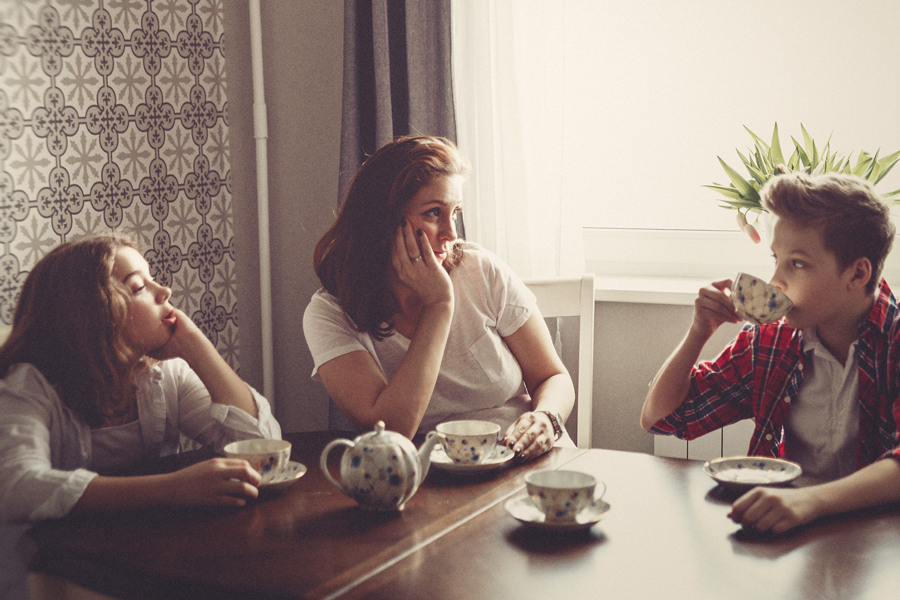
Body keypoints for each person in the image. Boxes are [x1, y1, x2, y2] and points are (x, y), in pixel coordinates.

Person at [0, 234, 282, 599]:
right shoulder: (29, 387)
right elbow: (16, 485)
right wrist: (171, 489)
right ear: (93, 312)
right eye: (138, 287)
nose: (163, 290)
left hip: (144, 566)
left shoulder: (162, 376)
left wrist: (198, 347)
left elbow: (265, 448)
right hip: (52, 580)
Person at [641, 171, 900, 535]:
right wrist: (698, 332)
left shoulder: (895, 341)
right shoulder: (770, 341)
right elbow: (662, 419)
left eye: (797, 263)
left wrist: (810, 501)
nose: (775, 280)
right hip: (788, 531)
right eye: (775, 258)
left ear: (857, 274)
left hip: (879, 544)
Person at [303, 136, 574, 458]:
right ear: (381, 221)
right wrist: (439, 305)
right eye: (433, 212)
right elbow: (390, 429)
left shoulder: (482, 271)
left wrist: (548, 419)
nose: (452, 233)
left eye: (455, 212)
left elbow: (552, 376)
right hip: (432, 482)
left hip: (526, 460)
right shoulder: (330, 314)